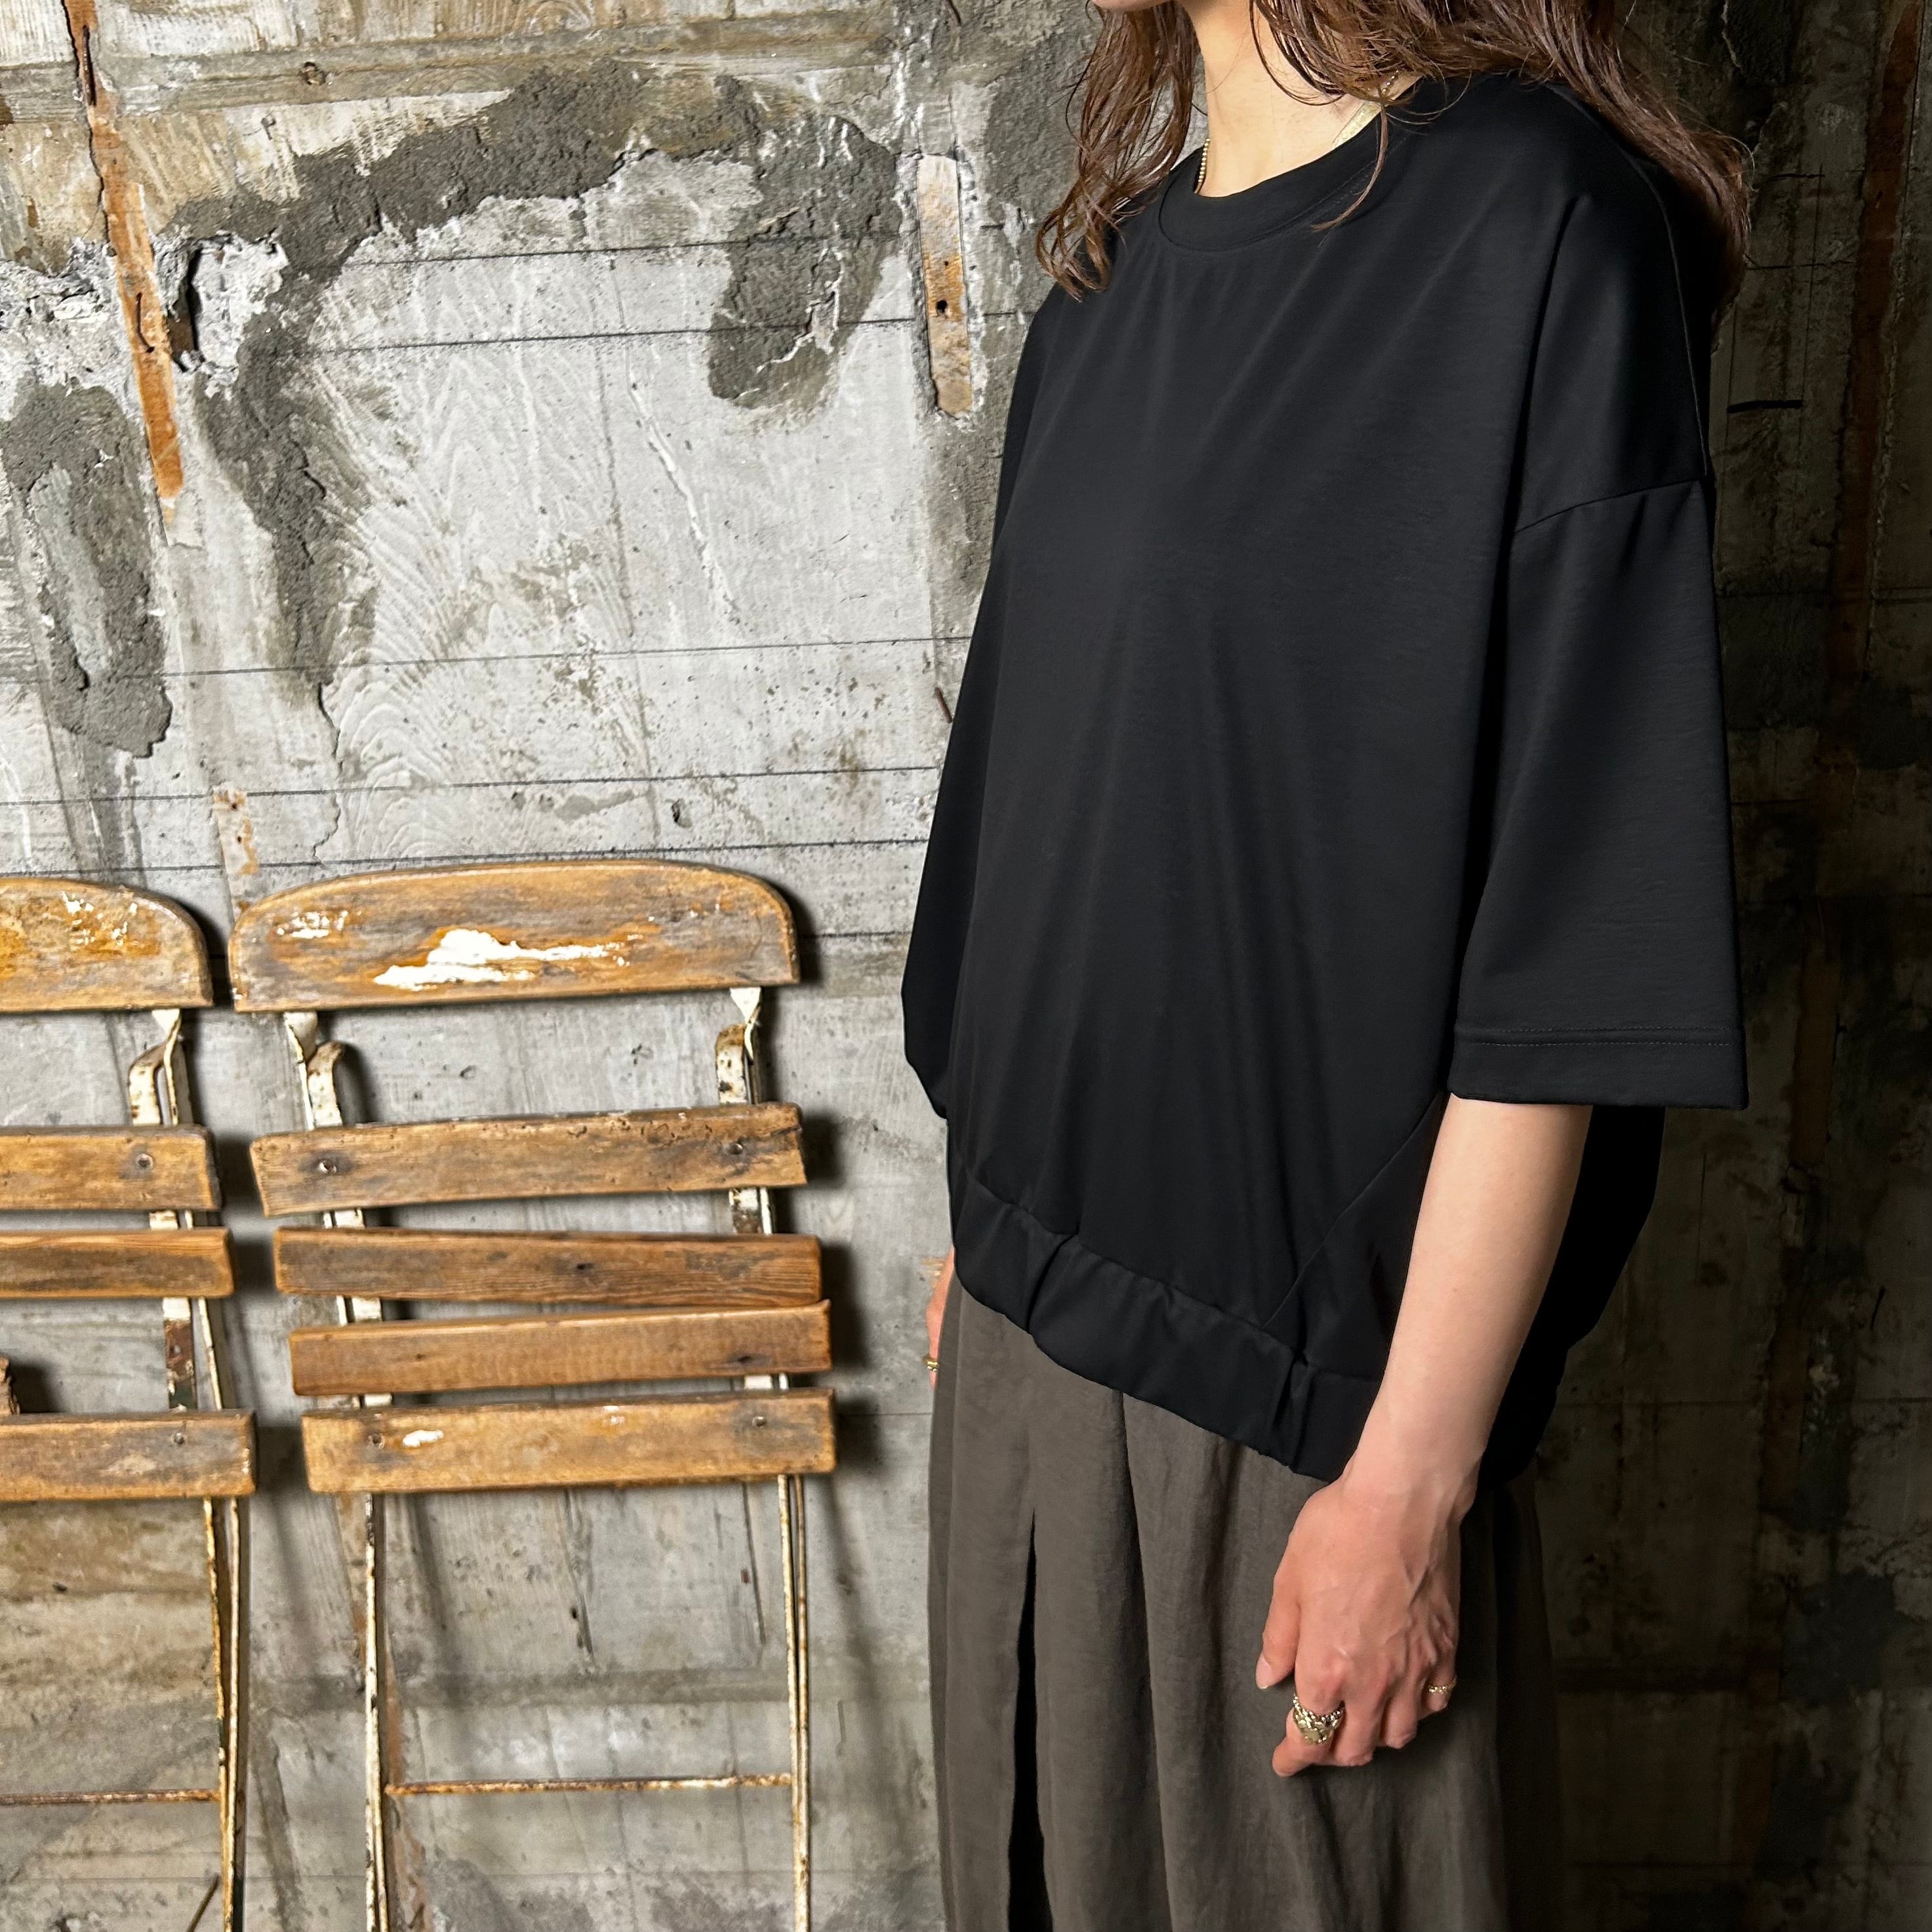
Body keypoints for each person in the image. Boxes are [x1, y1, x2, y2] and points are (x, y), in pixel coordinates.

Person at [900, 0, 1750, 1924]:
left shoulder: (1534, 225)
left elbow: (1571, 943)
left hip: (1301, 1417)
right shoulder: (1103, 288)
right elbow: (1049, 810)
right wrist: (994, 1224)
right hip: (1022, 1339)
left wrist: (1411, 1482)